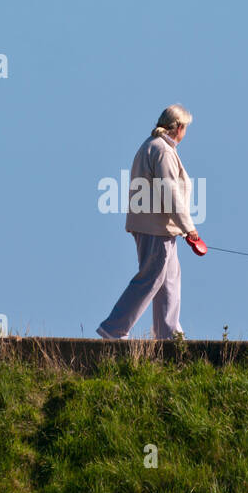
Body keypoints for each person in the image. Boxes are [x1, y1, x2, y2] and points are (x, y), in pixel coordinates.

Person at [97, 104, 202, 339]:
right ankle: (114, 327)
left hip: (155, 226)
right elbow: (170, 192)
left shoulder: (152, 145)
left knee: (169, 281)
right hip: (156, 227)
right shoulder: (162, 150)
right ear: (180, 127)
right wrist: (189, 228)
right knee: (151, 278)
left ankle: (168, 334)